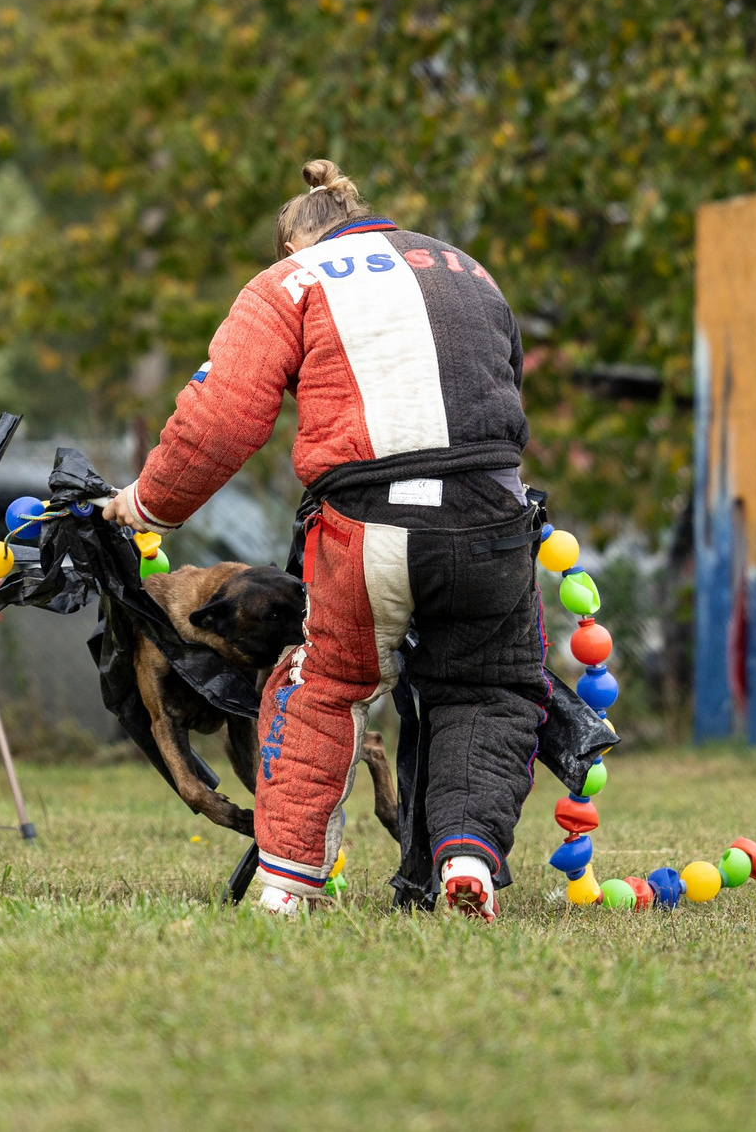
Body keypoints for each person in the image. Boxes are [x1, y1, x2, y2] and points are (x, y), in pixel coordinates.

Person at [101, 159, 546, 919]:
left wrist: (148, 503)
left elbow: (221, 417)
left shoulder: (288, 283)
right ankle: (467, 856)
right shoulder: (466, 268)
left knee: (323, 691)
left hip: (367, 528)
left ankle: (289, 884)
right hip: (493, 521)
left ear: (291, 243)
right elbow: (505, 392)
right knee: (487, 691)